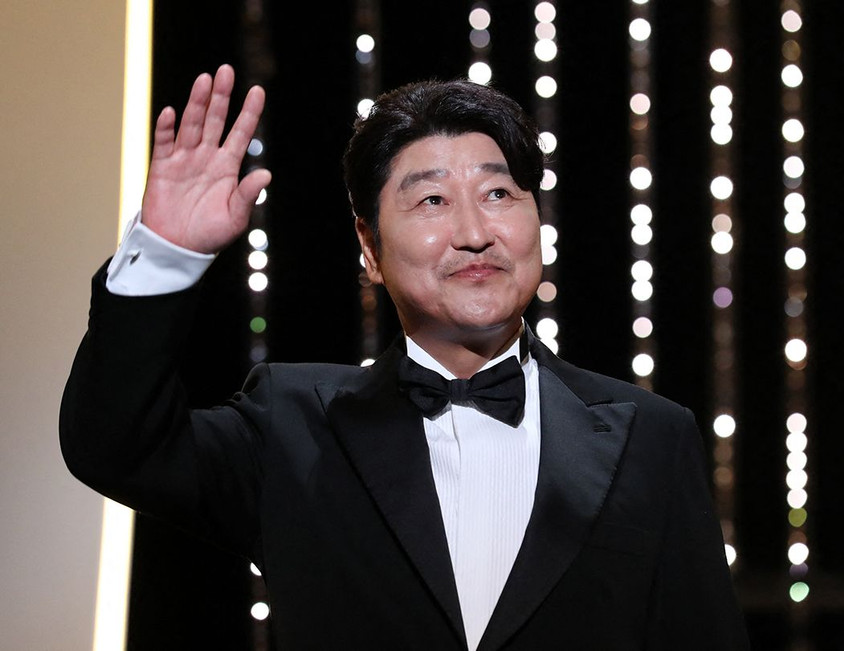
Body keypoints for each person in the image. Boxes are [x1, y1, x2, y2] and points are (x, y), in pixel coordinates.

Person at [61, 64, 749, 650]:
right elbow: (116, 447)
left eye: (498, 194)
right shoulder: (292, 428)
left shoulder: (651, 436)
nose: (474, 232)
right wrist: (165, 254)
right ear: (370, 248)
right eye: (431, 200)